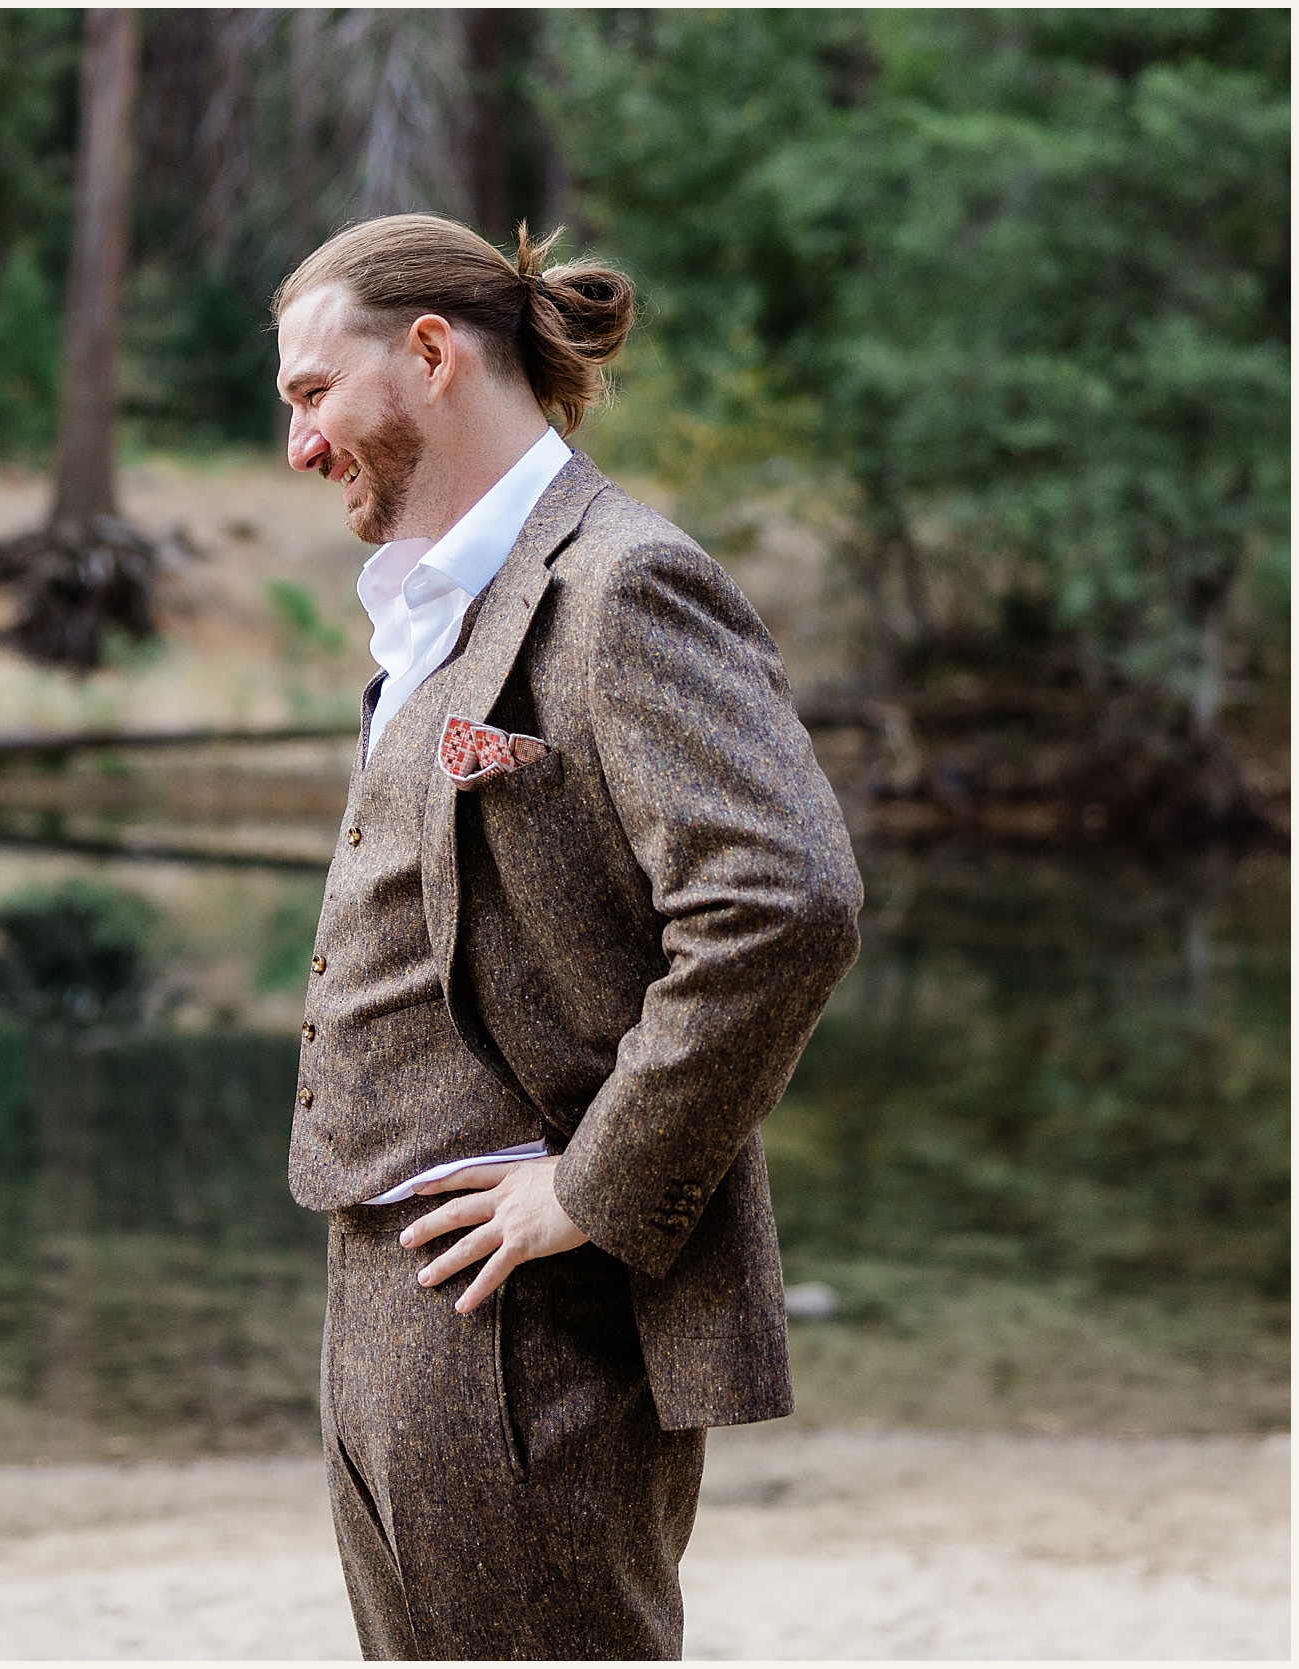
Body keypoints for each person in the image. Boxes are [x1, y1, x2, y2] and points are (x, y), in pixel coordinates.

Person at [272, 214, 863, 1658]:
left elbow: (784, 900)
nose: (298, 445)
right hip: (396, 1310)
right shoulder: (442, 607)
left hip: (529, 1331)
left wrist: (593, 1186)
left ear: (429, 353)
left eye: (310, 392)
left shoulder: (618, 583)